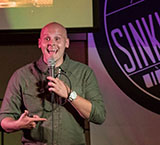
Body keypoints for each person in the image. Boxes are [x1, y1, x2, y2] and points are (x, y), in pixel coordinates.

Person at [0, 22, 106, 145]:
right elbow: (4, 120)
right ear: (40, 43)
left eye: (57, 38)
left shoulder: (84, 73)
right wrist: (17, 124)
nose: (52, 43)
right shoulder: (22, 75)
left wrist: (70, 95)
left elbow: (99, 116)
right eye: (47, 38)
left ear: (66, 43)